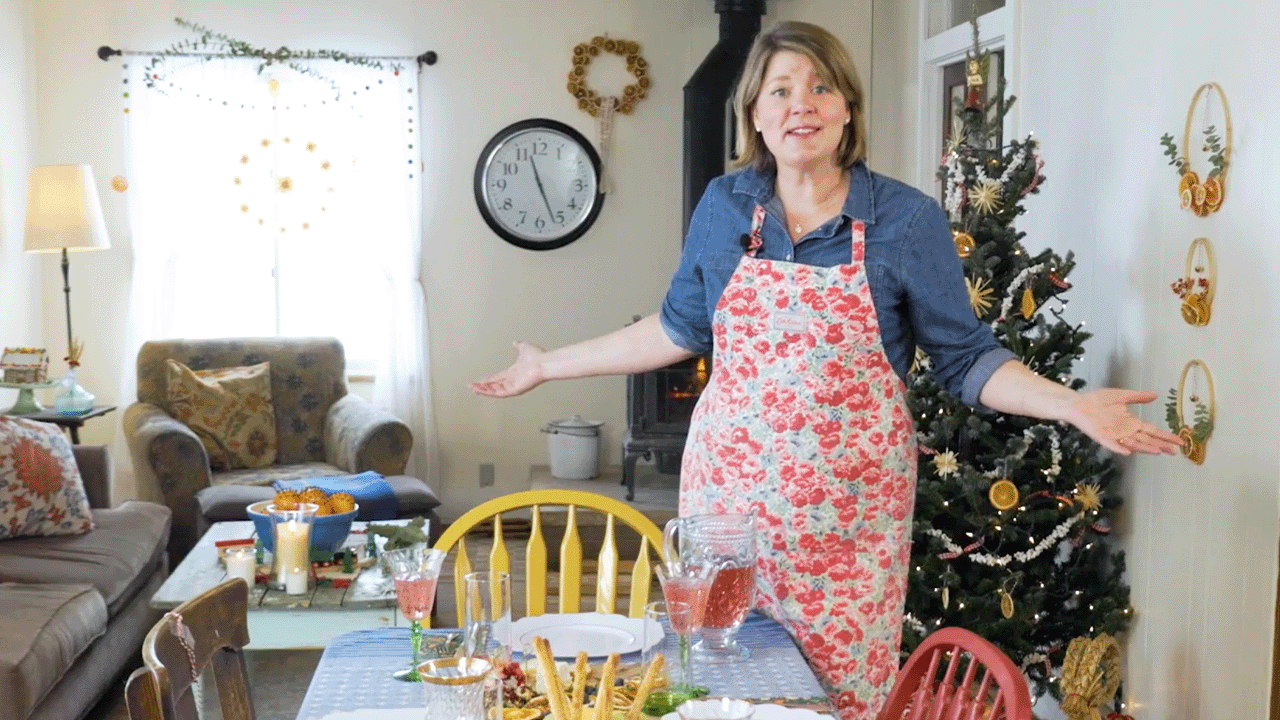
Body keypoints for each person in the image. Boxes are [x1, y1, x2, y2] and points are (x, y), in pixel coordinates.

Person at [472, 20, 1182, 720]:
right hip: (726, 518)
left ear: (847, 108)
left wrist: (1072, 404)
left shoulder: (905, 221)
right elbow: (676, 327)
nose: (799, 105)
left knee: (834, 700)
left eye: (819, 87)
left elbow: (967, 358)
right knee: (715, 686)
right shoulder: (727, 206)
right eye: (779, 90)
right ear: (755, 112)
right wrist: (547, 366)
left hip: (848, 531)